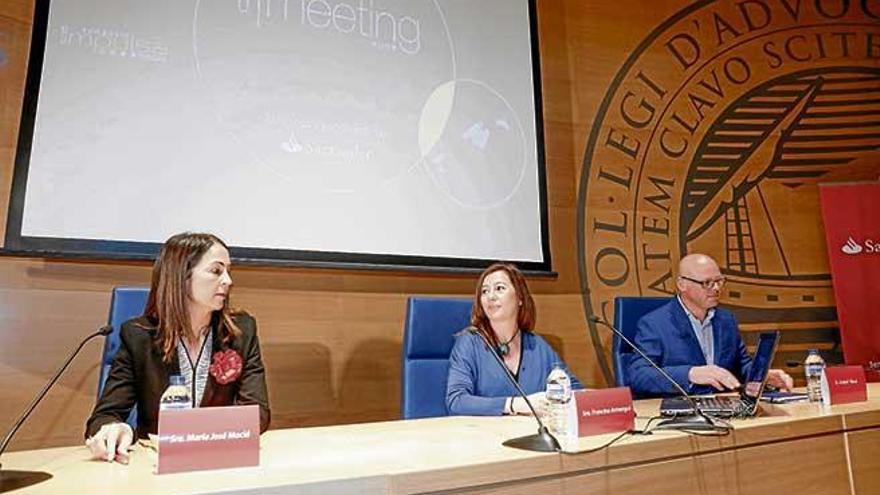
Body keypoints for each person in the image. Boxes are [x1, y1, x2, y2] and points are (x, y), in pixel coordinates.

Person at [85, 232, 271, 463]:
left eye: (228, 271)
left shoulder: (241, 331)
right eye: (216, 271)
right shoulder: (139, 336)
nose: (228, 281)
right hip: (154, 466)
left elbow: (257, 414)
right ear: (181, 276)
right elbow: (103, 417)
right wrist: (114, 429)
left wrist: (196, 435)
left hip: (220, 460)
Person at [624, 253, 793, 397]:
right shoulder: (654, 323)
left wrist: (763, 376)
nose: (716, 288)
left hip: (724, 406)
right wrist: (691, 373)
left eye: (719, 281)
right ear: (682, 284)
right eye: (707, 283)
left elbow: (741, 366)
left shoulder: (726, 320)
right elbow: (638, 374)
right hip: (681, 410)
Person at [446, 263, 583, 416]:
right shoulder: (469, 343)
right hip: (485, 435)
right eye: (484, 291)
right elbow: (456, 401)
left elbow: (573, 389)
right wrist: (514, 404)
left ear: (519, 297)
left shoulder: (538, 346)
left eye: (499, 288)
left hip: (531, 434)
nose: (490, 296)